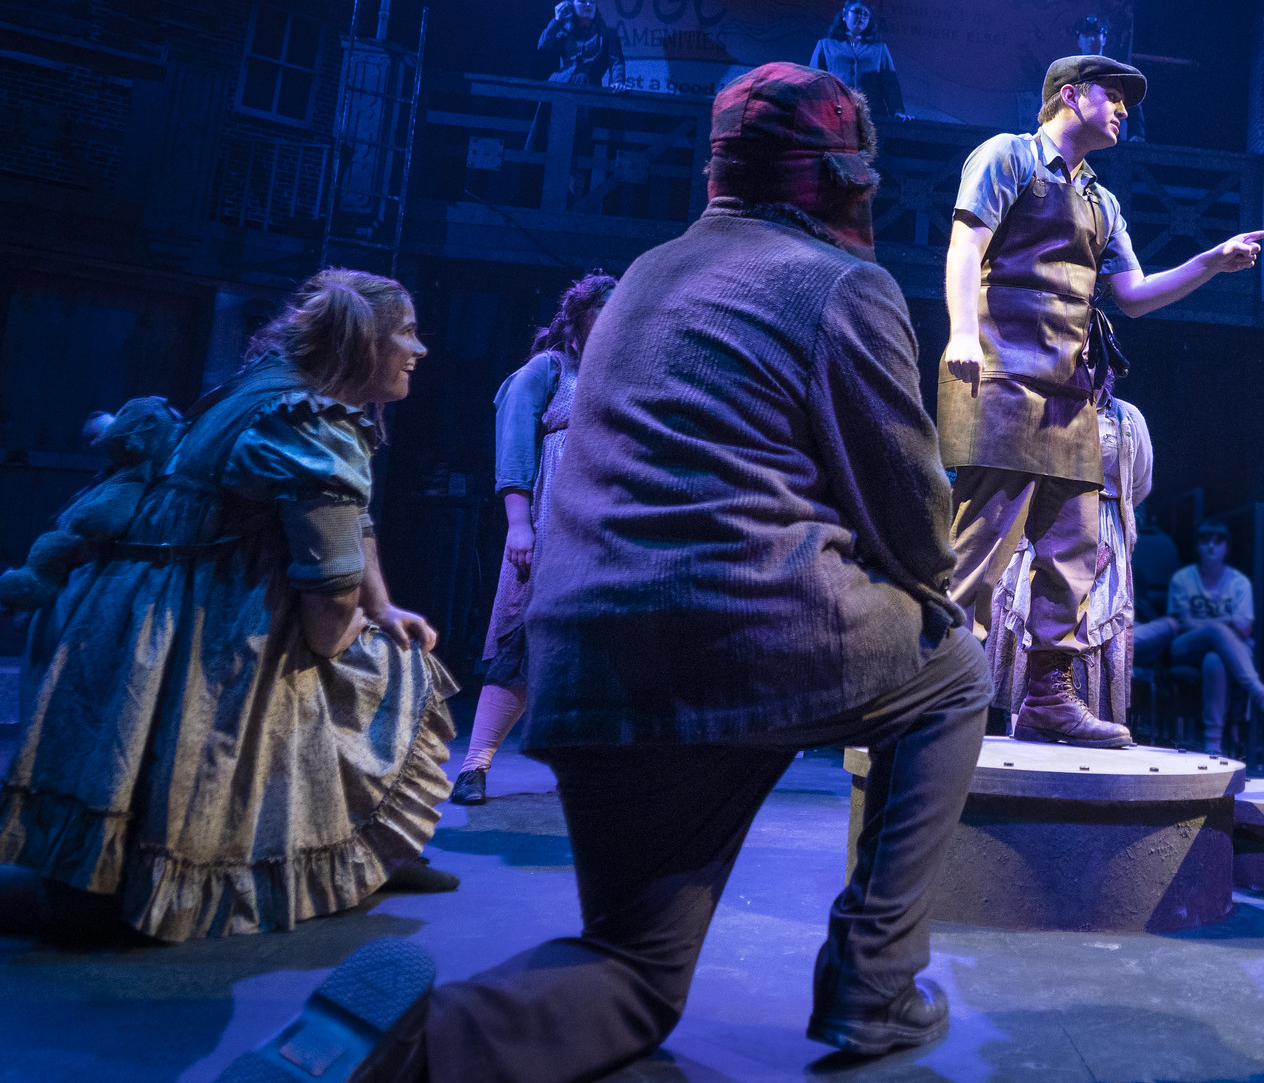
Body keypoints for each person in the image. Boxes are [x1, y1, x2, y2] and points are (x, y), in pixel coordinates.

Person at [232, 63, 991, 1083]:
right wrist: (925, 586)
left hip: (583, 663)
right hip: (750, 634)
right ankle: (875, 986)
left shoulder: (645, 273)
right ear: (843, 176)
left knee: (633, 971)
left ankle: (405, 1052)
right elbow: (912, 518)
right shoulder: (842, 284)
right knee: (956, 674)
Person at [0, 270, 457, 943]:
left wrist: (381, 605)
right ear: (361, 342)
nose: (420, 349)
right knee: (388, 673)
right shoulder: (309, 422)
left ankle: (366, 854)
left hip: (134, 605)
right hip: (202, 620)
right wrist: (343, 635)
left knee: (371, 654)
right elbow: (329, 590)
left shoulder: (259, 389)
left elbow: (350, 520)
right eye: (407, 334)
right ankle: (157, 885)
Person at [940, 53, 1264, 748]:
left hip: (1072, 393)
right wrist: (963, 332)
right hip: (1004, 376)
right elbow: (966, 245)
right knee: (979, 552)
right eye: (1113, 96)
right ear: (1070, 95)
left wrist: (1211, 262)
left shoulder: (1100, 199)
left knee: (1072, 551)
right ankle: (939, 697)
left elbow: (1134, 295)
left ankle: (1047, 696)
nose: (1124, 110)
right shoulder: (1008, 157)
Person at [451, 271, 617, 806]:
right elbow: (516, 445)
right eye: (601, 316)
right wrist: (519, 524)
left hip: (607, 532)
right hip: (550, 523)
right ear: (578, 321)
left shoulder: (624, 374)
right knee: (521, 640)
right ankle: (474, 766)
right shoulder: (548, 370)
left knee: (599, 649)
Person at [987, 392, 1154, 728]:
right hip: (1041, 521)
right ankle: (1027, 722)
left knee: (1095, 621)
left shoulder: (1125, 417)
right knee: (1038, 612)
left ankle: (1088, 722)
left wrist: (1103, 522)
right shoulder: (1040, 399)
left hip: (1103, 524)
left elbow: (1139, 483)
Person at [1135, 518, 1264, 754]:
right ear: (1198, 546)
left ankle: (1213, 746)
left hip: (1232, 652)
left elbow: (1245, 628)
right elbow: (1183, 624)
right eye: (1205, 540)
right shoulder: (1183, 579)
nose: (1211, 546)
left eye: (1218, 541)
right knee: (1217, 631)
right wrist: (1225, 622)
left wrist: (1210, 625)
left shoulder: (1239, 583)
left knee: (1214, 660)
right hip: (1186, 648)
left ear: (1227, 548)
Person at [808, 0, 904, 120]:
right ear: (844, 15)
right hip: (835, 114)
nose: (861, 17)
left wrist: (897, 110)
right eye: (857, 12)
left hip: (871, 116)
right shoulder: (826, 45)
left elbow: (890, 83)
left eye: (865, 14)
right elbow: (815, 80)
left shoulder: (879, 49)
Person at [1074, 15, 1144, 143]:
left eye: (1096, 35)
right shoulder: (1070, 74)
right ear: (1079, 41)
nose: (1091, 39)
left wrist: (1137, 133)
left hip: (1111, 141)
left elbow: (1133, 105)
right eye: (1086, 35)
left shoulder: (1117, 73)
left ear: (1104, 39)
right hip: (1078, 140)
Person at [539, 0, 622, 87]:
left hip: (589, 87)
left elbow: (616, 62)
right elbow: (543, 45)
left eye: (592, 1)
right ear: (571, 5)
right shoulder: (564, 33)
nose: (589, 4)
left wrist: (618, 82)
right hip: (560, 83)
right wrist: (557, 19)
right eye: (582, 1)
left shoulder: (608, 34)